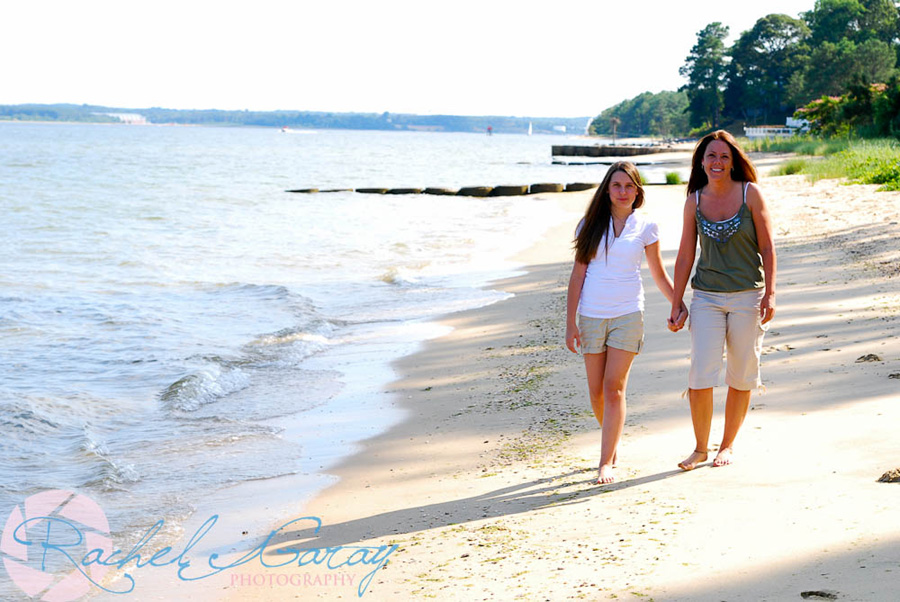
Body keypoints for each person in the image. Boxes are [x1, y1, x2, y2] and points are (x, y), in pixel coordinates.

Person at [566, 161, 687, 484]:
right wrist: (570, 323)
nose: (623, 192)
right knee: (596, 393)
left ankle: (605, 462)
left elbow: (658, 273)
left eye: (629, 186)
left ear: (638, 191)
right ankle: (612, 439)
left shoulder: (645, 227)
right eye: (617, 186)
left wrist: (677, 304)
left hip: (628, 314)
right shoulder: (588, 226)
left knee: (613, 388)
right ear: (607, 190)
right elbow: (578, 275)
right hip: (591, 315)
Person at [668, 130, 777, 471]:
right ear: (701, 162)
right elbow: (686, 253)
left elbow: (768, 247)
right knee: (701, 371)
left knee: (741, 373)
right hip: (706, 297)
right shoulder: (694, 200)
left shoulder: (751, 194)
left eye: (724, 157)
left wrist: (771, 292)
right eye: (711, 156)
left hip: (748, 295)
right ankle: (701, 448)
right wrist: (677, 300)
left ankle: (726, 446)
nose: (717, 162)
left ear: (733, 163)